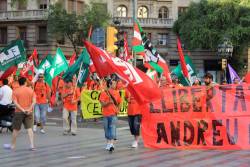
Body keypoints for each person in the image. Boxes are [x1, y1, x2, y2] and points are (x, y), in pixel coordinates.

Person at [3, 77, 36, 151]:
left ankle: (13, 145)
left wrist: (23, 110)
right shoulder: (30, 90)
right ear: (25, 82)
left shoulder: (15, 91)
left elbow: (15, 103)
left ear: (19, 83)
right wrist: (29, 109)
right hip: (29, 111)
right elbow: (34, 101)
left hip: (19, 112)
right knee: (29, 128)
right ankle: (32, 145)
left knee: (16, 129)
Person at [99, 79, 121, 152]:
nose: (115, 85)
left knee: (112, 127)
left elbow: (119, 102)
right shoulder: (104, 93)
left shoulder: (117, 93)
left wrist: (118, 109)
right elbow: (102, 104)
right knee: (106, 128)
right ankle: (108, 142)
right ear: (110, 84)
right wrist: (108, 102)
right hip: (105, 114)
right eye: (113, 84)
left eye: (115, 83)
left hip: (113, 113)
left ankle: (111, 143)